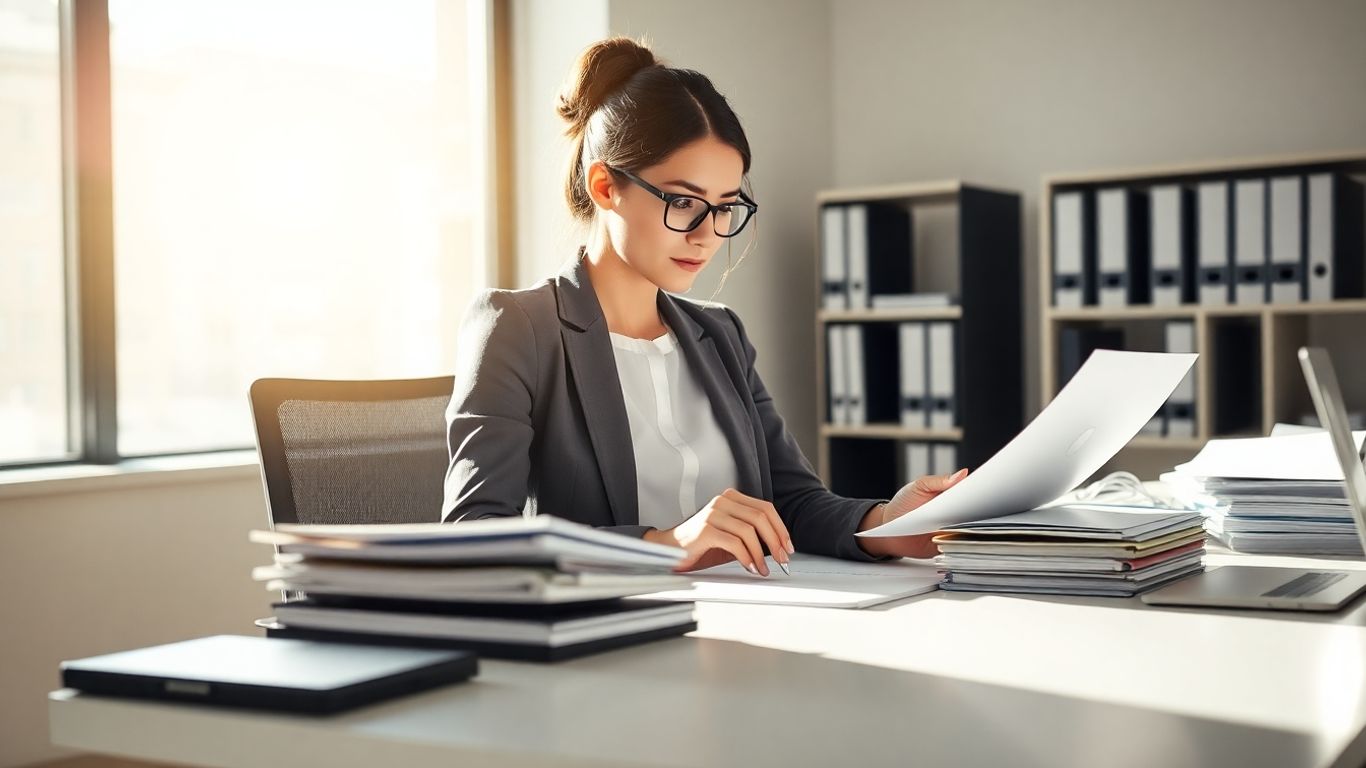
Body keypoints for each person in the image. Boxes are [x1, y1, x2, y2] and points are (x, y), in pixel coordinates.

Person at [443, 36, 968, 576]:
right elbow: (475, 531)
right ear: (604, 186)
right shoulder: (517, 326)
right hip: (613, 629)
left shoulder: (720, 334)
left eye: (724, 207)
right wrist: (665, 543)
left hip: (757, 617)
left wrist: (889, 523)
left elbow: (791, 503)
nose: (707, 235)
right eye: (684, 202)